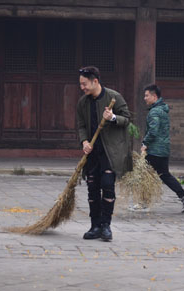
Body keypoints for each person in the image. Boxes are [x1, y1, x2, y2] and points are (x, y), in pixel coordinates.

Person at [76, 66, 132, 242]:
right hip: (92, 153)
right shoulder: (82, 103)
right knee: (92, 189)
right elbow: (81, 126)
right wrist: (84, 142)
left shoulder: (113, 97)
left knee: (107, 185)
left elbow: (127, 119)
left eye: (85, 84)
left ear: (95, 81)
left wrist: (112, 118)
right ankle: (95, 226)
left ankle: (106, 226)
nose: (82, 88)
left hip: (110, 152)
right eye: (81, 84)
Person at [141, 84, 184, 213]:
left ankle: (143, 203)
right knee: (164, 175)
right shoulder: (163, 109)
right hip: (163, 149)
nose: (144, 98)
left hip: (154, 150)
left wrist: (144, 143)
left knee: (143, 174)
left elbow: (153, 131)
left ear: (154, 96)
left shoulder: (154, 112)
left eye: (147, 95)